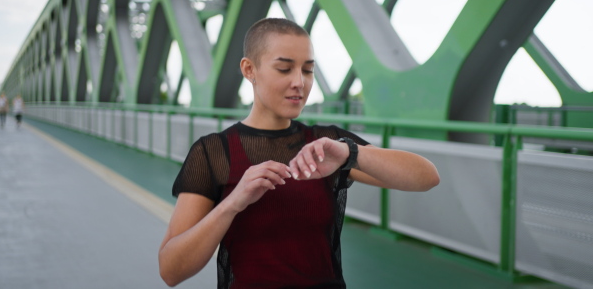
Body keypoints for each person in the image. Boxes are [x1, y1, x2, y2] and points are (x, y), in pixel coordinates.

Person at [158, 18, 440, 288]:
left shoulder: (326, 143)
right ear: (249, 69)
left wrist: (349, 152)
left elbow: (427, 178)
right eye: (284, 69)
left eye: (307, 70)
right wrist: (232, 203)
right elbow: (171, 270)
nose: (300, 83)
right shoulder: (213, 152)